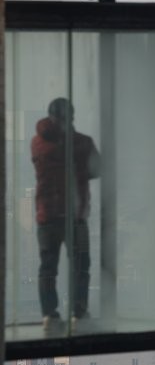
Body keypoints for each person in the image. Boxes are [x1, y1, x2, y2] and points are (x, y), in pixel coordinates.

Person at [31, 98, 101, 333]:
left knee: (48, 268)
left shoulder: (37, 143)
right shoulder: (81, 143)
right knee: (81, 266)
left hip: (47, 216)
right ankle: (79, 314)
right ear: (71, 116)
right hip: (75, 216)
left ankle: (49, 315)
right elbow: (97, 169)